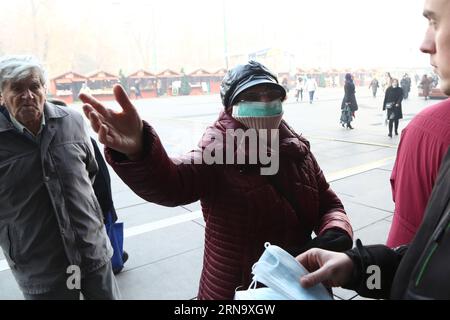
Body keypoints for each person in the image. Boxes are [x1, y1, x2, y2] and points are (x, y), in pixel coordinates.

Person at [79, 60, 354, 300]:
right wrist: (140, 150)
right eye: (253, 96)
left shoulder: (297, 148)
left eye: (272, 95)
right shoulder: (217, 149)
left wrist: (335, 233)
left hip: (300, 282)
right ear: (232, 106)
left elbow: (328, 202)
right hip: (236, 289)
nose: (265, 103)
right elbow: (172, 183)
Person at [297, 0, 450, 300]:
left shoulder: (429, 128)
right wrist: (357, 267)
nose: (425, 43)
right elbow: (429, 264)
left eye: (435, 21)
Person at [0, 56, 120, 300]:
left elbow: (91, 174)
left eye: (34, 86)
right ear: (2, 94)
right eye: (17, 88)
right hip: (40, 267)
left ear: (44, 89)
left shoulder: (72, 121)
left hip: (91, 252)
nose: (28, 95)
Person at [48, 98, 130, 274]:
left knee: (102, 236)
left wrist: (103, 206)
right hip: (91, 205)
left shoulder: (83, 141)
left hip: (96, 203)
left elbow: (100, 176)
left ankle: (114, 260)